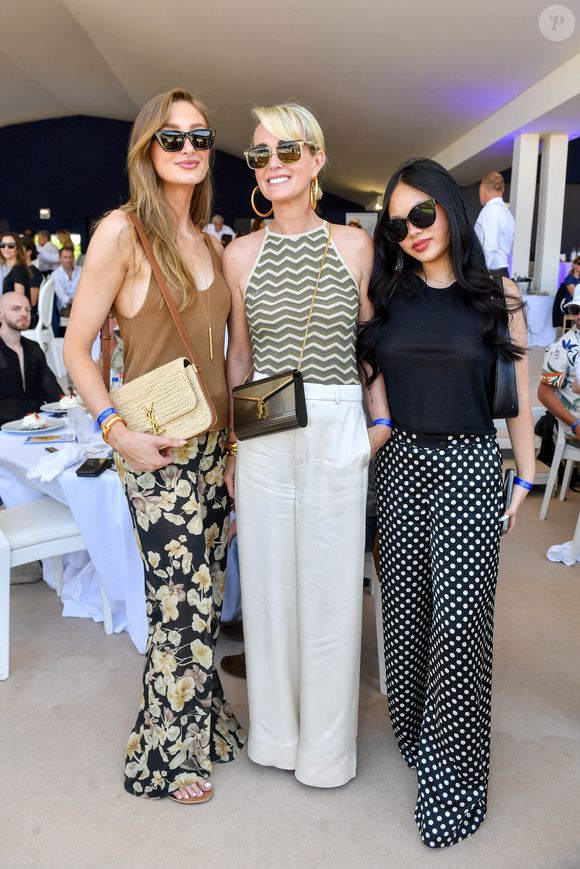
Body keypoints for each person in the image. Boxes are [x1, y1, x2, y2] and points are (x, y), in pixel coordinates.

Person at [64, 87, 246, 804]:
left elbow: (230, 357)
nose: (191, 149)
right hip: (155, 449)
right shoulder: (122, 232)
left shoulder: (211, 243)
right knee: (176, 602)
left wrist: (235, 446)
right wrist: (116, 433)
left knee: (207, 596)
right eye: (173, 139)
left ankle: (203, 723)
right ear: (147, 150)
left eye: (201, 136)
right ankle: (166, 756)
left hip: (213, 448)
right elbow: (78, 349)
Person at [357, 157, 536, 847]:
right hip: (400, 467)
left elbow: (514, 395)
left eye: (423, 215)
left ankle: (455, 778)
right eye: (398, 224)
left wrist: (522, 476)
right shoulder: (388, 294)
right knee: (406, 618)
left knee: (460, 628)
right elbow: (373, 388)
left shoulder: (495, 288)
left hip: (466, 465)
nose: (412, 232)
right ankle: (415, 734)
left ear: (450, 209)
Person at [224, 103, 390, 788]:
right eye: (261, 154)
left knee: (328, 588)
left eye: (287, 150)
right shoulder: (239, 253)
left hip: (335, 417)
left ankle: (325, 751)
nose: (274, 164)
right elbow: (240, 358)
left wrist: (377, 424)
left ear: (317, 160)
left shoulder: (354, 246)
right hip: (264, 423)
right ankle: (275, 736)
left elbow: (368, 347)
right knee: (266, 587)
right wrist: (235, 445)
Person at [0, 292, 61, 425]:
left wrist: (67, 407)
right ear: (1, 314)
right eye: (16, 309)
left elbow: (51, 389)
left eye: (28, 310)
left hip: (37, 425)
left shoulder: (33, 348)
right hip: (4, 431)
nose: (24, 313)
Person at [539, 285, 580, 437]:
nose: (578, 316)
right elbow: (544, 393)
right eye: (575, 310)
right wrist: (575, 425)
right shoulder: (562, 347)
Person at [474, 170, 515, 276]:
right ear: (503, 190)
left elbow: (488, 246)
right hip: (502, 270)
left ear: (483, 189)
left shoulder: (490, 210)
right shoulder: (506, 212)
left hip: (491, 272)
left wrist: (480, 273)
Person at [1, 233, 41, 310]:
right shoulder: (8, 269)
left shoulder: (18, 270)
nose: (6, 248)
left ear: (18, 249)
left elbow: (19, 302)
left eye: (11, 245)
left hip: (15, 317)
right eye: (2, 245)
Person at [552, 256, 580, 329]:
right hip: (572, 307)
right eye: (579, 263)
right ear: (574, 265)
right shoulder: (569, 278)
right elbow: (575, 295)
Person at [53, 246, 82, 314]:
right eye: (65, 257)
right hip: (66, 307)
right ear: (60, 259)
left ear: (73, 258)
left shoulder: (81, 271)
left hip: (82, 303)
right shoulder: (55, 275)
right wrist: (78, 303)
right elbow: (63, 298)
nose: (68, 260)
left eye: (70, 257)